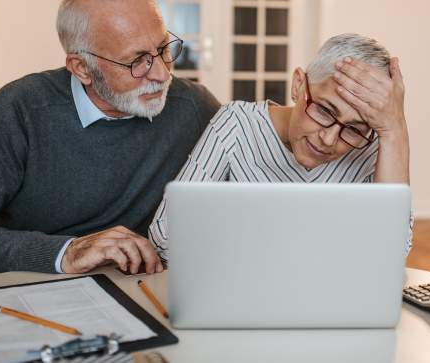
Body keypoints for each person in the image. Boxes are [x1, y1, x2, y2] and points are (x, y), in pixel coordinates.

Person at [0, 0, 220, 279]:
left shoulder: (193, 106)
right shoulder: (22, 109)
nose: (161, 73)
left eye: (164, 49)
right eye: (137, 61)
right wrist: (66, 253)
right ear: (82, 68)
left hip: (140, 290)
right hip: (33, 289)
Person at [149, 33, 412, 260]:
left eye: (354, 128)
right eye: (324, 110)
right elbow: (165, 234)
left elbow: (392, 254)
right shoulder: (237, 123)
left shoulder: (370, 148)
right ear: (298, 85)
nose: (329, 139)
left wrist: (395, 130)